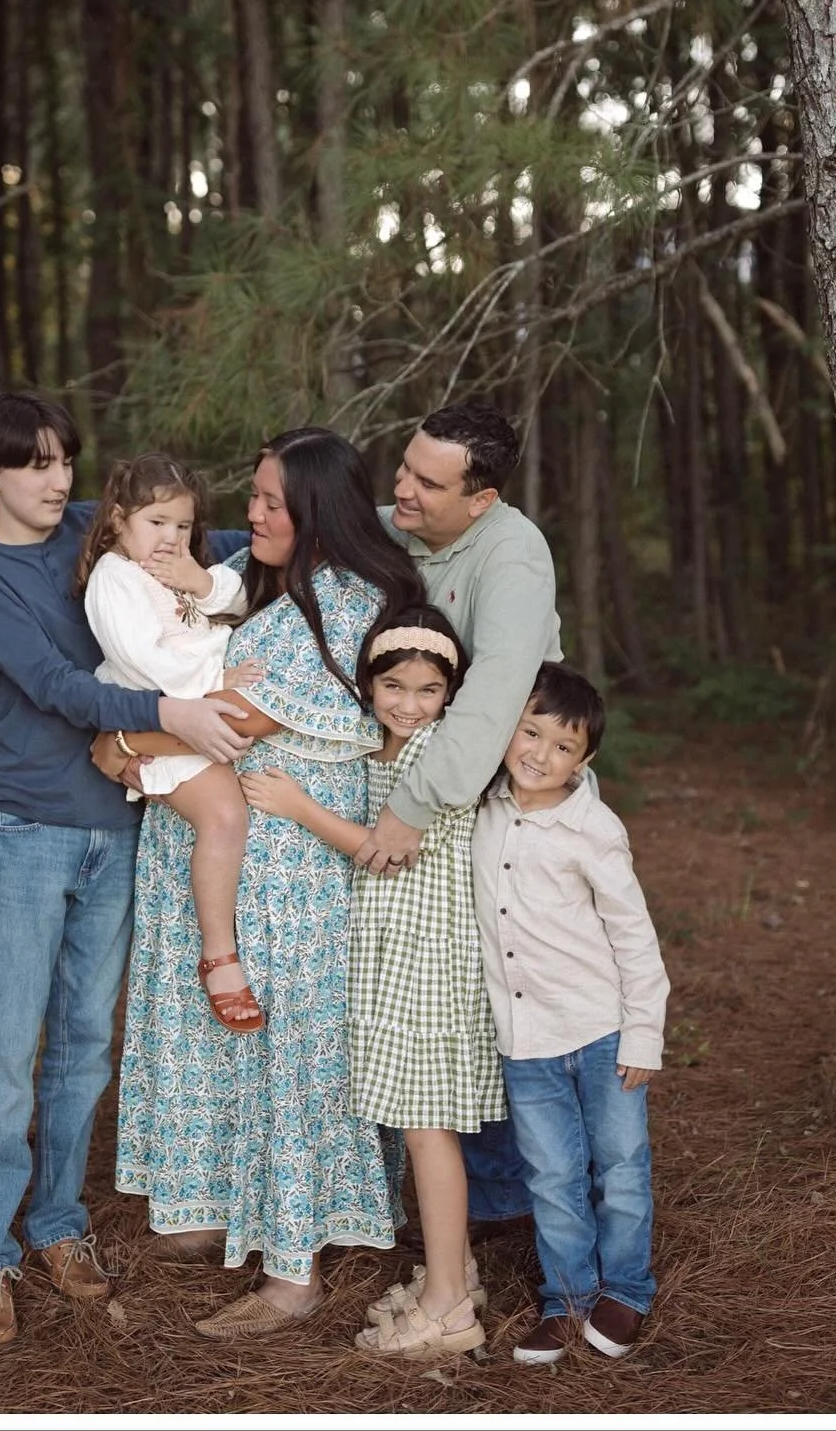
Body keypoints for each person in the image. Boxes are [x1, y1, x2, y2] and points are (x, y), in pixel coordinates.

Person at [0, 389, 254, 1348]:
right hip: (25, 828)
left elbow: (226, 540)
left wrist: (337, 523)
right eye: (32, 463)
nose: (56, 479)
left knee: (83, 1044)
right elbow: (52, 683)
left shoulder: (94, 524)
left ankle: (59, 1227)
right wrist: (172, 712)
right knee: (5, 1057)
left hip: (120, 822)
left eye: (64, 461)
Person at [110, 427, 427, 1339]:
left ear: (318, 510)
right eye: (250, 496)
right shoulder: (274, 587)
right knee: (232, 1050)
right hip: (235, 855)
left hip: (285, 872)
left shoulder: (342, 596)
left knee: (286, 1054)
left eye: (269, 501)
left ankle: (294, 1273)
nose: (248, 516)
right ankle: (212, 1206)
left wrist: (116, 743)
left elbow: (227, 722)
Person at [237, 604, 506, 1360]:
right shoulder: (382, 743)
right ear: (369, 682)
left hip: (431, 959)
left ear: (449, 694)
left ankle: (450, 1309)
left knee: (427, 1130)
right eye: (395, 685)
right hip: (395, 954)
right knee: (419, 1126)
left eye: (427, 689)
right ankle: (451, 1275)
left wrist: (297, 805)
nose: (410, 702)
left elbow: (387, 852)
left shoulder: (437, 753)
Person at [363, 402, 562, 1225]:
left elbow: (492, 701)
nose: (401, 490)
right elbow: (303, 528)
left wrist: (409, 807)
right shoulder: (405, 523)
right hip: (448, 794)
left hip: (516, 805)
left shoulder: (512, 556)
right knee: (449, 996)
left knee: (510, 995)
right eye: (403, 467)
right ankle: (465, 1215)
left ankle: (517, 1216)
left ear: (479, 500)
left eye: (425, 482)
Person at [471, 663, 669, 1366]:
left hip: (599, 1031)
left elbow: (634, 935)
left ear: (584, 763)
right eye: (531, 732)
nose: (540, 754)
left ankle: (626, 1289)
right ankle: (567, 1299)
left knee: (619, 1165)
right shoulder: (480, 807)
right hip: (525, 1040)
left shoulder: (594, 829)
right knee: (551, 1175)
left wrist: (644, 1032)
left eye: (563, 747)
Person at [77, 451, 268, 1034]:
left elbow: (236, 601)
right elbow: (146, 664)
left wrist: (200, 580)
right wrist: (221, 668)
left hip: (197, 711)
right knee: (225, 817)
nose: (170, 537)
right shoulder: (114, 579)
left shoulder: (178, 567)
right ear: (117, 521)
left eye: (182, 526)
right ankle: (219, 956)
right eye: (155, 523)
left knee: (242, 813)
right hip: (161, 722)